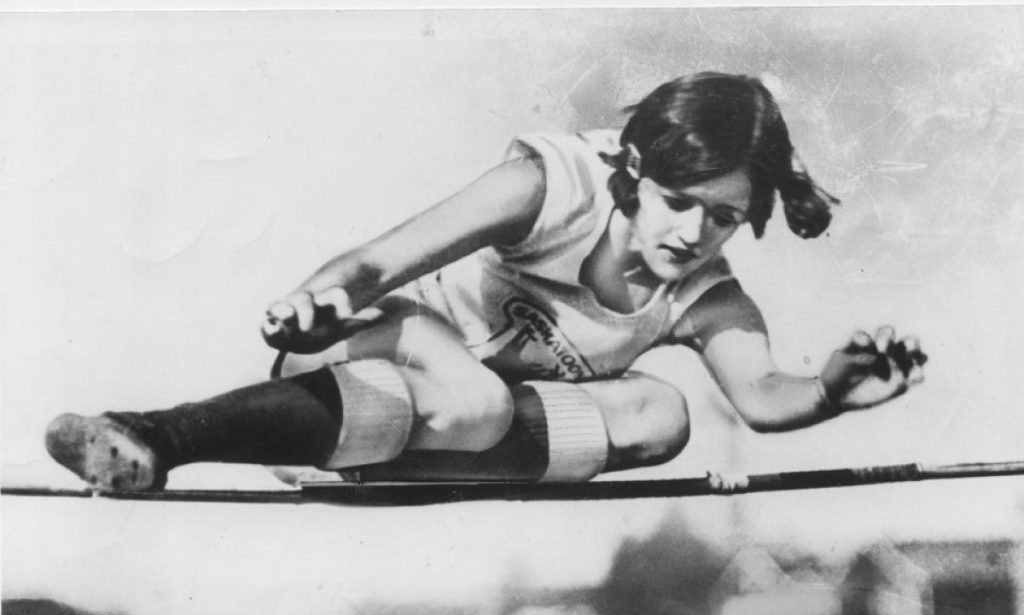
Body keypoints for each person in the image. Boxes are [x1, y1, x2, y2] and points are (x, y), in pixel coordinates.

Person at [45, 72, 927, 492]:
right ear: (631, 171)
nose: (694, 235)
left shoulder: (705, 292)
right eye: (677, 202)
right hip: (375, 355)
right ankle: (149, 434)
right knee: (473, 401)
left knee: (663, 414)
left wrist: (835, 389)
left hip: (453, 427)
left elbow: (766, 396)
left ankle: (374, 470)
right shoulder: (552, 187)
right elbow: (378, 263)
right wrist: (310, 305)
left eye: (725, 216)